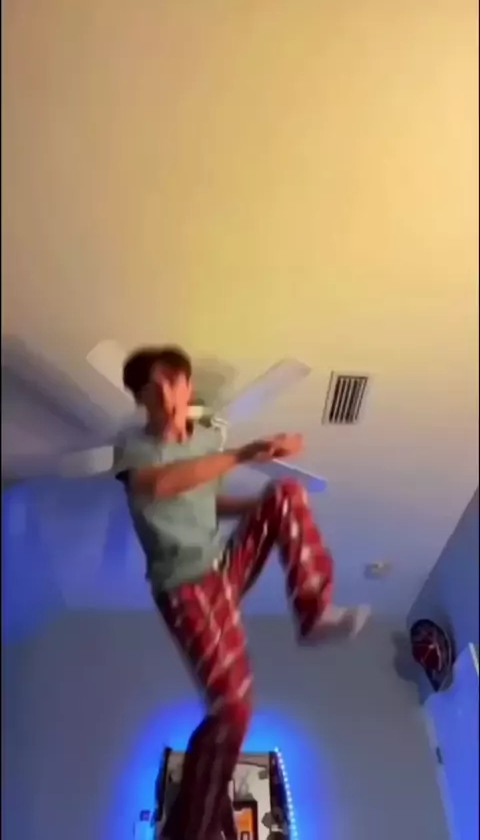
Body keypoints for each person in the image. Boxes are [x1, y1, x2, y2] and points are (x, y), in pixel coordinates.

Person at [113, 345, 370, 840]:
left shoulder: (207, 440)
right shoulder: (134, 448)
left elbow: (207, 500)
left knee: (286, 492)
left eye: (172, 381)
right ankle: (193, 829)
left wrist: (265, 507)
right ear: (140, 399)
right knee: (234, 708)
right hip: (185, 587)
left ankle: (314, 613)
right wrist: (244, 453)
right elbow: (162, 486)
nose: (164, 393)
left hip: (224, 568)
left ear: (188, 388)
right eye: (152, 386)